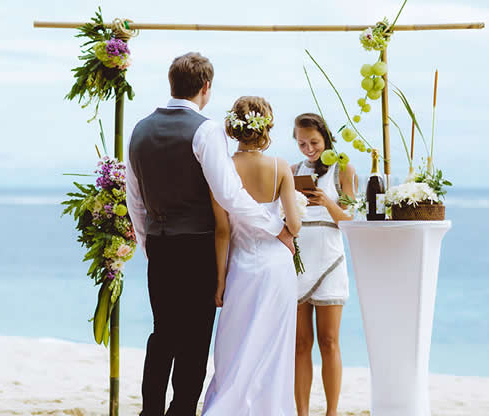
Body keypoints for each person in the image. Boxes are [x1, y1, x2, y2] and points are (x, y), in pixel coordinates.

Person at [126, 53, 295, 416]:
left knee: (162, 334)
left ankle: (150, 411)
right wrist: (274, 226)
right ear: (205, 87)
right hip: (198, 245)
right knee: (194, 338)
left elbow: (134, 197)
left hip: (160, 244)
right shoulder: (206, 130)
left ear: (171, 84)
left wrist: (148, 244)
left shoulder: (139, 129)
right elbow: (229, 194)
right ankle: (182, 410)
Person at [201, 96, 300, 415]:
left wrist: (219, 280)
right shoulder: (281, 166)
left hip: (241, 268)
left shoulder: (223, 169)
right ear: (266, 126)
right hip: (276, 268)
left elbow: (222, 230)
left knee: (236, 344)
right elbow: (294, 226)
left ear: (234, 128)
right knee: (273, 345)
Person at [290, 113, 356, 416]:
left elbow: (349, 220)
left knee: (329, 341)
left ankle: (331, 412)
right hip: (300, 260)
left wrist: (326, 202)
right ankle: (302, 412)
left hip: (330, 258)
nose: (308, 148)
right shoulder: (292, 171)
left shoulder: (343, 169)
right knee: (301, 344)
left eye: (314, 142)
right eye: (302, 143)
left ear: (326, 138)